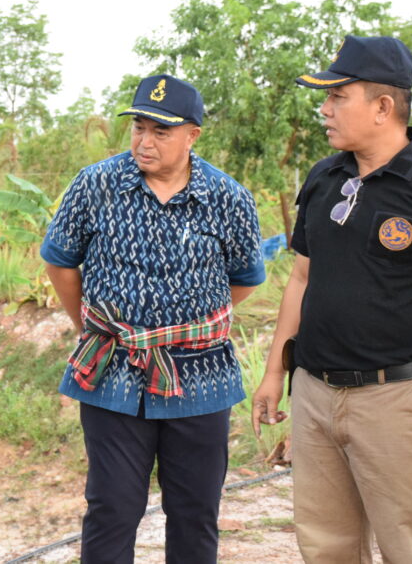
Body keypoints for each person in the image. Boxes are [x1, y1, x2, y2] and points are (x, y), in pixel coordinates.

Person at [252, 35, 412, 563]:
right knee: (326, 547)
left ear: (383, 107)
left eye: (338, 97)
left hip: (399, 404)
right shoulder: (324, 177)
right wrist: (274, 372)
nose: (324, 109)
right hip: (314, 395)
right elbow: (301, 278)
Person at [41, 74, 266, 564]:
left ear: (192, 135)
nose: (145, 141)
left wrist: (182, 327)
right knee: (112, 509)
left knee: (195, 511)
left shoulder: (228, 197)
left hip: (201, 378)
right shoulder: (96, 184)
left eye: (161, 131)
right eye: (139, 127)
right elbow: (60, 261)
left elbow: (246, 278)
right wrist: (91, 328)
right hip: (114, 372)